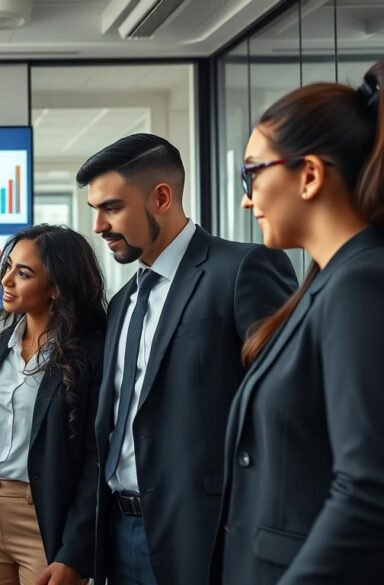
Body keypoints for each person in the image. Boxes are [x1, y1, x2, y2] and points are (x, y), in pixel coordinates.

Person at [77, 133, 297, 585]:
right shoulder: (122, 302)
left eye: (112, 207)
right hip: (117, 532)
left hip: (206, 532)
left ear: (161, 197)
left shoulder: (242, 270)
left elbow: (287, 406)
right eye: (94, 211)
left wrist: (256, 513)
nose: (98, 226)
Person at [210, 61, 384, 585]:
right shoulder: (328, 282)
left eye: (252, 173)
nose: (246, 197)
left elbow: (368, 487)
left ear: (308, 175)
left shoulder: (361, 284)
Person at [0, 224, 105, 585]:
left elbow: (95, 462)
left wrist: (74, 552)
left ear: (56, 287)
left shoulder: (92, 355)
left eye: (23, 273)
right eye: (7, 267)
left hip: (46, 518)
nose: (7, 280)